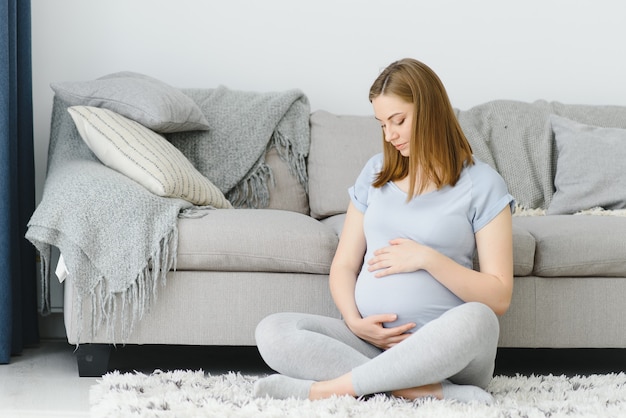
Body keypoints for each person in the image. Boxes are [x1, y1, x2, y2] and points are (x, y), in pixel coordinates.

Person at [253, 58, 514, 404]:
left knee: (479, 319)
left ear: (431, 111)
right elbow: (345, 264)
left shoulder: (483, 184)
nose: (389, 135)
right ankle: (418, 391)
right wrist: (353, 320)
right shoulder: (375, 174)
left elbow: (499, 296)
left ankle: (331, 390)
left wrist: (426, 258)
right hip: (371, 345)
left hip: (448, 352)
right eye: (382, 125)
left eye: (398, 121)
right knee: (273, 330)